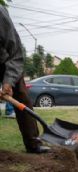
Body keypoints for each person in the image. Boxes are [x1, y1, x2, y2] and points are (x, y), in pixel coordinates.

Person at [0, 5, 49, 153]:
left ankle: (33, 142)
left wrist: (8, 82)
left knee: (21, 93)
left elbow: (16, 54)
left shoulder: (1, 16)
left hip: (5, 59)